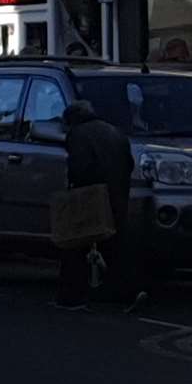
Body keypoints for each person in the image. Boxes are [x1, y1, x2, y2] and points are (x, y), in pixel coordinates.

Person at [56, 100, 141, 310]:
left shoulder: (78, 135)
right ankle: (123, 293)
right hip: (118, 195)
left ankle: (71, 297)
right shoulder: (115, 132)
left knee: (75, 244)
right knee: (116, 247)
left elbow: (79, 167)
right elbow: (129, 164)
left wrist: (74, 189)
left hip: (92, 195)